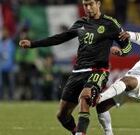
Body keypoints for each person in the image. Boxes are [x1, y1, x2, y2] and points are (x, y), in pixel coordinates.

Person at [19, 0, 132, 135]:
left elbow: (127, 45)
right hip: (78, 71)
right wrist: (32, 44)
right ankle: (77, 132)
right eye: (85, 5)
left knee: (84, 97)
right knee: (62, 116)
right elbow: (59, 38)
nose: (88, 8)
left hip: (98, 70)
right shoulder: (80, 23)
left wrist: (121, 52)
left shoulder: (110, 23)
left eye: (91, 4)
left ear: (98, 4)